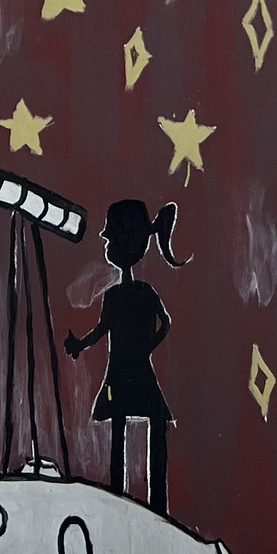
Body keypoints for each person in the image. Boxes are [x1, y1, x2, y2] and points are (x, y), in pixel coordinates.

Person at [65, 198, 183, 513]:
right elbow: (158, 324)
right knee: (138, 426)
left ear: (125, 241)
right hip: (127, 373)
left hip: (126, 373)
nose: (105, 240)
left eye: (111, 235)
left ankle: (145, 504)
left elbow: (163, 323)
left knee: (139, 426)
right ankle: (132, 502)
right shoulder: (122, 294)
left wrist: (147, 347)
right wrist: (81, 345)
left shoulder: (130, 294)